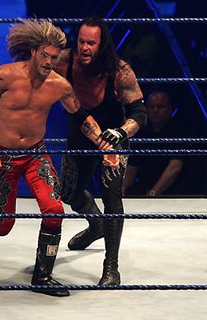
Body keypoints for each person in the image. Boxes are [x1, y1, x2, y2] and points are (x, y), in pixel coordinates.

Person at [0, 19, 110, 297]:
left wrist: (104, 144)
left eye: (55, 58)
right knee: (1, 226)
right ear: (33, 51)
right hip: (2, 155)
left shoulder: (59, 85)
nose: (50, 63)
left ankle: (42, 276)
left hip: (35, 156)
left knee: (55, 210)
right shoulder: (3, 76)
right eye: (45, 55)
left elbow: (80, 116)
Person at [54, 16, 146, 285]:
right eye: (81, 41)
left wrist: (120, 132)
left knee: (112, 197)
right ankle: (97, 225)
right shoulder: (64, 61)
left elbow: (140, 113)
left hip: (112, 136)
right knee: (69, 193)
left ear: (101, 44)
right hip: (80, 131)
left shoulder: (120, 71)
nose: (84, 48)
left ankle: (111, 268)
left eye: (91, 43)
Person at [123, 90, 185, 196]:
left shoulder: (178, 132)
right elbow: (132, 168)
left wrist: (153, 193)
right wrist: (121, 190)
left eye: (161, 107)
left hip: (174, 192)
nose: (155, 110)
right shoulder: (142, 133)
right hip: (144, 190)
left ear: (170, 109)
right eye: (151, 107)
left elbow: (175, 167)